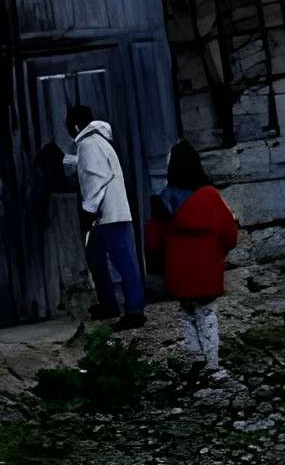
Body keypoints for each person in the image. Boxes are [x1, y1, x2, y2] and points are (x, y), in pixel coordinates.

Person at [145, 138, 238, 378]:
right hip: (207, 267)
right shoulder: (211, 196)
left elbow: (154, 240)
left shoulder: (163, 199)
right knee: (207, 312)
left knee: (187, 311)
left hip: (178, 269)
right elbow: (229, 234)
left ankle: (196, 356)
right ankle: (212, 363)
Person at [62, 104, 146, 330]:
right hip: (110, 214)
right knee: (98, 260)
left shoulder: (89, 145)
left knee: (124, 263)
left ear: (76, 125)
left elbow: (95, 180)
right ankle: (109, 304)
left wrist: (88, 212)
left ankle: (135, 312)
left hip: (108, 215)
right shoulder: (97, 142)